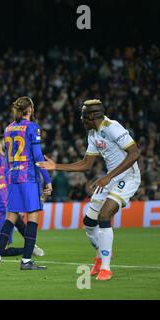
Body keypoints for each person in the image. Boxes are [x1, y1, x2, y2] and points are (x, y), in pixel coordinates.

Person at [37, 99, 141, 280]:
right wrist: (56, 166)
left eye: (83, 114)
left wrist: (108, 177)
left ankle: (106, 268)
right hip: (109, 177)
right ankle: (101, 256)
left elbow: (134, 153)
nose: (81, 118)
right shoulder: (93, 134)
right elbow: (86, 164)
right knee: (89, 222)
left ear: (92, 116)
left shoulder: (112, 127)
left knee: (104, 216)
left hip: (128, 177)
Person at [0, 96, 52, 271]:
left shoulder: (8, 129)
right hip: (28, 178)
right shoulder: (32, 127)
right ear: (29, 109)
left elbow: (7, 157)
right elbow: (38, 157)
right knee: (33, 217)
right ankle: (26, 261)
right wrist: (47, 179)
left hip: (13, 177)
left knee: (10, 218)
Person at [0, 148, 45, 256]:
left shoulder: (5, 171)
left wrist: (21, 206)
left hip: (12, 209)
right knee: (3, 250)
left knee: (22, 227)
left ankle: (31, 247)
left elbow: (17, 186)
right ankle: (29, 249)